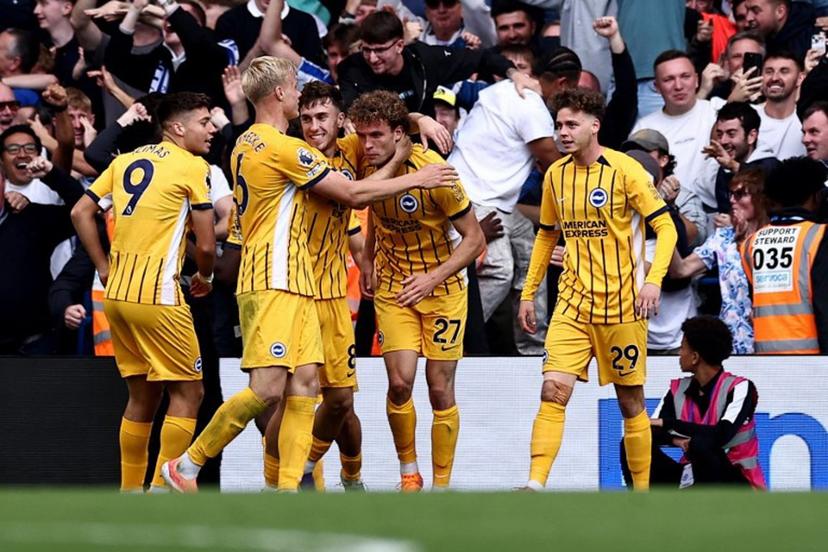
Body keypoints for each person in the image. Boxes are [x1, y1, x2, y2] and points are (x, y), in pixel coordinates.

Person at [162, 57, 459, 493]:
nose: (301, 95)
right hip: (273, 279)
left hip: (299, 282)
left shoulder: (246, 142)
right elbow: (355, 193)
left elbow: (371, 138)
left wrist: (413, 121)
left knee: (304, 388)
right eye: (295, 89)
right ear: (280, 93)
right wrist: (420, 177)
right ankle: (187, 464)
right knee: (267, 390)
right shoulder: (283, 149)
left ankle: (286, 490)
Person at [517, 88, 677, 491]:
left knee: (630, 402)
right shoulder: (555, 175)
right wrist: (528, 292)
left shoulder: (626, 171)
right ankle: (535, 486)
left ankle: (641, 493)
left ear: (594, 126)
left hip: (623, 305)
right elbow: (546, 236)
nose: (563, 133)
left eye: (572, 124)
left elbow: (666, 227)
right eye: (558, 125)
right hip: (573, 303)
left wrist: (653, 280)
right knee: (553, 390)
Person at [70, 92, 218, 492]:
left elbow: (80, 212)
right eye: (204, 122)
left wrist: (103, 267)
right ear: (177, 127)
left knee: (143, 397)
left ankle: (130, 493)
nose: (213, 128)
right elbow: (205, 246)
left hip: (117, 295)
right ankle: (161, 490)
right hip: (158, 296)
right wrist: (205, 277)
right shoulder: (193, 167)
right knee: (189, 391)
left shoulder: (125, 161)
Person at [353, 90, 485, 492]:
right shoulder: (367, 162)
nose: (367, 144)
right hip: (395, 289)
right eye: (362, 136)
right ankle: (409, 473)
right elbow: (375, 209)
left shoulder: (436, 173)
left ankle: (441, 488)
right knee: (399, 383)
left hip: (442, 288)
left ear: (398, 134)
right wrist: (370, 259)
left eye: (376, 135)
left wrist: (432, 277)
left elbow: (474, 239)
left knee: (440, 387)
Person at [637, 315, 766, 489]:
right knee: (633, 443)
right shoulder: (677, 389)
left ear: (695, 357)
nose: (679, 353)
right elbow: (650, 431)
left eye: (682, 348)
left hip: (738, 483)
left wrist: (668, 423)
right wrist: (675, 440)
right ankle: (645, 507)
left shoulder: (740, 388)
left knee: (700, 444)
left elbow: (721, 435)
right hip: (694, 475)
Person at [337, 10, 535, 117]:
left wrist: (515, 74)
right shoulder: (351, 68)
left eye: (380, 50)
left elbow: (482, 58)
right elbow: (356, 114)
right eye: (367, 50)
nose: (372, 58)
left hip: (424, 149)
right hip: (375, 149)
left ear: (399, 45)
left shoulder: (425, 59)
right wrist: (418, 121)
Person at [0, 125, 84, 354]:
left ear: (2, 178)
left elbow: (83, 209)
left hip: (35, 345)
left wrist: (52, 175)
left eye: (28, 148)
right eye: (13, 149)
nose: (22, 153)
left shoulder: (31, 216)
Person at [669, 169, 769, 354]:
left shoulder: (775, 236)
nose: (732, 200)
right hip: (731, 343)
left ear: (760, 198)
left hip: (769, 338)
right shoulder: (724, 237)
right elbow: (681, 270)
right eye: (731, 194)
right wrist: (665, 223)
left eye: (740, 194)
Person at [741, 157, 828, 354]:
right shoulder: (820, 237)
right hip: (813, 358)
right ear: (815, 197)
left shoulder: (751, 243)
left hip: (766, 356)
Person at [633, 50, 724, 214]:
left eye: (685, 76)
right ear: (656, 87)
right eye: (668, 79)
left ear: (697, 80)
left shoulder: (718, 111)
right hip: (666, 214)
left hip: (714, 212)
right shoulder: (644, 128)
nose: (678, 86)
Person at [702, 101, 778, 215]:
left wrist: (734, 166)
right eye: (719, 134)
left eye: (731, 134)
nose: (723, 141)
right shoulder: (723, 169)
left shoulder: (771, 166)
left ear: (751, 136)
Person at [752, 51, 807, 160]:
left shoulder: (807, 120)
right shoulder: (747, 116)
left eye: (784, 71)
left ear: (800, 78)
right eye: (769, 71)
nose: (774, 78)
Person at [744, 0, 816, 59]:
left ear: (780, 12)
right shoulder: (767, 38)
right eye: (747, 10)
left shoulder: (810, 41)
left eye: (755, 11)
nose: (748, 18)